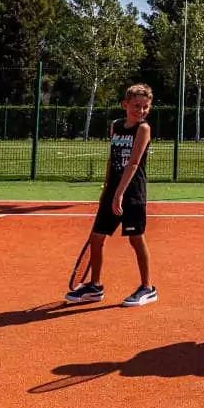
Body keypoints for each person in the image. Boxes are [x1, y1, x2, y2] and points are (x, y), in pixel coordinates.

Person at [65, 83, 156, 307]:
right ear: (125, 105)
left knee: (136, 239)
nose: (141, 110)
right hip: (113, 192)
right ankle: (95, 286)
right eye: (136, 106)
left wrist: (119, 195)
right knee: (96, 239)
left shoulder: (143, 129)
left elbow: (133, 163)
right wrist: (107, 189)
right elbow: (112, 158)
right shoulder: (115, 126)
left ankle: (147, 288)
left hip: (132, 194)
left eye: (145, 107)